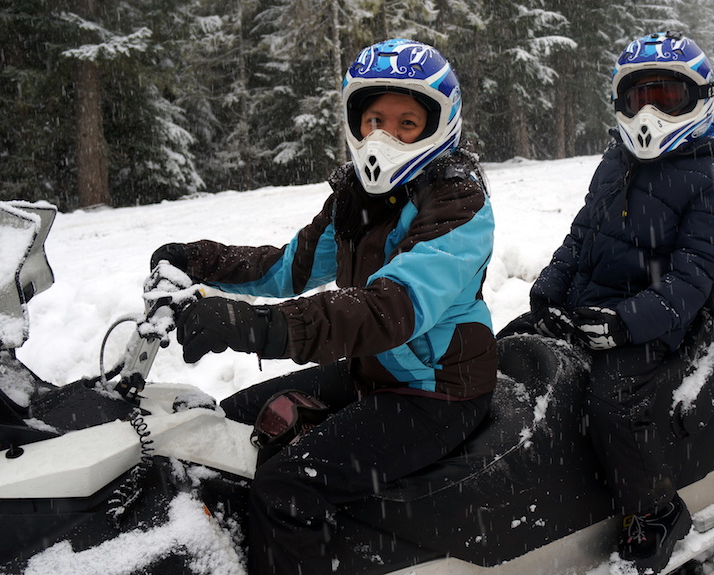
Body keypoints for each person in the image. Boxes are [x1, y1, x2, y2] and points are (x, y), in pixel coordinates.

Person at [150, 39, 497, 575]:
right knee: (223, 428)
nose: (384, 136)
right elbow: (288, 267)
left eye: (406, 123)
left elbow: (390, 308)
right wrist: (203, 260)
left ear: (439, 125)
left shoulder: (457, 202)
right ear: (355, 122)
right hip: (372, 370)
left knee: (287, 488)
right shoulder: (355, 197)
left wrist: (257, 328)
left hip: (438, 391)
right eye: (373, 119)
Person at [511, 31, 714, 574]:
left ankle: (653, 509)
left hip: (665, 325)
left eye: (666, 97)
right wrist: (549, 290)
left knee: (611, 397)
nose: (650, 112)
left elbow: (692, 280)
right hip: (591, 308)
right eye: (637, 97)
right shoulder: (614, 162)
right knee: (509, 347)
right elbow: (580, 237)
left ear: (699, 99)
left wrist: (626, 323)